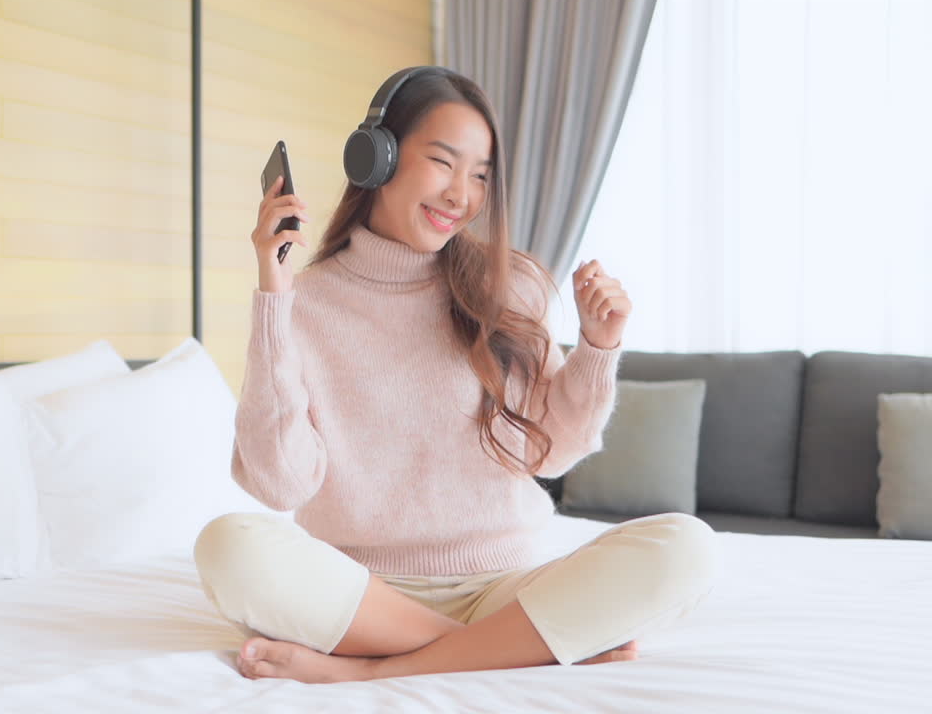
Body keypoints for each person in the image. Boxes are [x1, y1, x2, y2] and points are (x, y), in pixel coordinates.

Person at [193, 66, 718, 684]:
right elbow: (281, 485)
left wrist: (598, 349)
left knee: (687, 547)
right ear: (376, 158)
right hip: (359, 598)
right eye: (443, 162)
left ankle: (363, 672)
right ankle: (507, 650)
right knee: (228, 546)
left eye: (480, 175)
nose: (460, 195)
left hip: (504, 588)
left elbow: (551, 453)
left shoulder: (510, 285)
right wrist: (273, 296)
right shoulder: (304, 302)